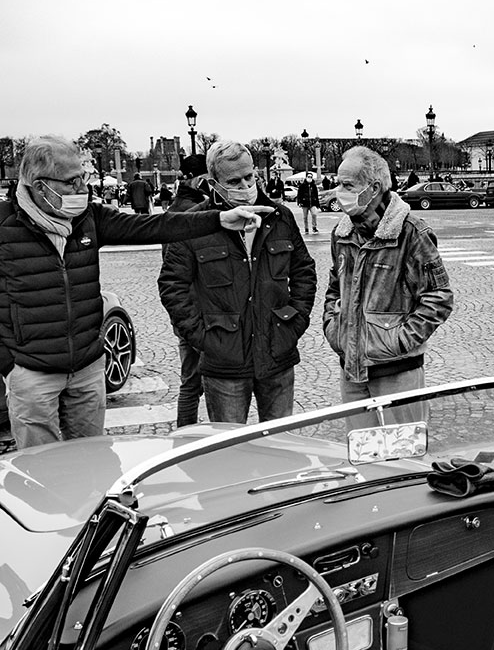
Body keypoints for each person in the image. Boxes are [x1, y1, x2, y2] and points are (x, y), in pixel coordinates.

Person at [0, 135, 270, 450]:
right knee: (40, 466)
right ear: (39, 185)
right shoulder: (4, 225)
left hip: (87, 367)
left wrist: (219, 219)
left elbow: (156, 227)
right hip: (32, 372)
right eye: (72, 182)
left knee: (92, 461)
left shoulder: (89, 218)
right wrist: (8, 364)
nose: (82, 190)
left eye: (83, 178)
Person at [159, 140, 317, 425]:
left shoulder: (280, 217)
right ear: (214, 183)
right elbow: (172, 285)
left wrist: (295, 322)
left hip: (277, 350)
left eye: (249, 177)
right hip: (224, 360)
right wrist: (203, 338)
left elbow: (304, 269)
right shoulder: (194, 224)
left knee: (282, 448)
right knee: (227, 453)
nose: (245, 186)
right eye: (234, 180)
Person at [322, 146, 453, 426]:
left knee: (405, 456)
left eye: (347, 185)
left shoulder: (411, 233)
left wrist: (399, 341)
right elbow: (335, 288)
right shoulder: (342, 234)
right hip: (352, 369)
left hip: (397, 371)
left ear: (374, 188)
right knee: (362, 455)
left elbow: (439, 297)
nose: (339, 191)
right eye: (338, 183)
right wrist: (334, 329)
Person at [164, 157, 210, 427]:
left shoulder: (176, 207)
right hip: (199, 310)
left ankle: (184, 432)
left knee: (190, 380)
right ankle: (189, 435)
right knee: (205, 382)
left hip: (184, 312)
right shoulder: (193, 211)